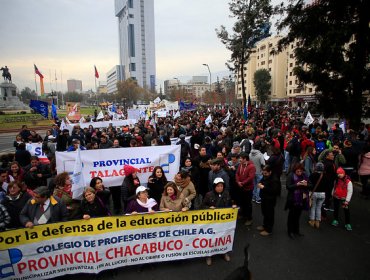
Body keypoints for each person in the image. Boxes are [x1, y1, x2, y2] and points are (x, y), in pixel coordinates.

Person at [202, 177, 235, 265]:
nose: (220, 188)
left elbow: (230, 204)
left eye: (221, 186)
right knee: (211, 238)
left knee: (223, 237)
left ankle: (224, 252)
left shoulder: (226, 194)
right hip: (211, 222)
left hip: (223, 222)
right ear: (214, 187)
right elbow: (202, 206)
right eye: (218, 186)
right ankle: (209, 255)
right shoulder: (209, 195)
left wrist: (233, 207)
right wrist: (208, 208)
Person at [285, 163, 311, 239]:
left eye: (301, 171)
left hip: (302, 199)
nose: (299, 173)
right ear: (295, 170)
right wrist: (297, 184)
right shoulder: (291, 175)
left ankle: (296, 230)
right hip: (293, 199)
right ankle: (290, 231)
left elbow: (311, 185)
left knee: (298, 216)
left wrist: (306, 185)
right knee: (291, 216)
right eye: (298, 171)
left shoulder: (304, 175)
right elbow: (288, 186)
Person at [257, 165, 280, 236]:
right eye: (263, 173)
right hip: (264, 198)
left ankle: (269, 230)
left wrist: (264, 187)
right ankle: (264, 226)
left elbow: (274, 191)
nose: (264, 175)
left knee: (269, 214)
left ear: (270, 172)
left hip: (270, 200)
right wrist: (260, 183)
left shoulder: (274, 180)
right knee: (264, 213)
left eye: (265, 173)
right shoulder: (266, 176)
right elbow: (262, 180)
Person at [235, 152, 256, 226]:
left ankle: (249, 218)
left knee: (248, 204)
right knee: (242, 202)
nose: (239, 159)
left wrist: (242, 183)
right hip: (241, 187)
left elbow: (250, 178)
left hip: (248, 189)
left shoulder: (252, 167)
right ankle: (243, 214)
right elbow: (237, 173)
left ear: (245, 159)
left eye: (241, 158)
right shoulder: (240, 165)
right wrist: (238, 182)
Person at [308, 162, 326, 229]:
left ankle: (312, 221)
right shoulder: (324, 175)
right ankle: (317, 222)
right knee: (319, 208)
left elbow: (309, 184)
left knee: (313, 207)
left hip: (314, 193)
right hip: (322, 194)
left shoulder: (313, 175)